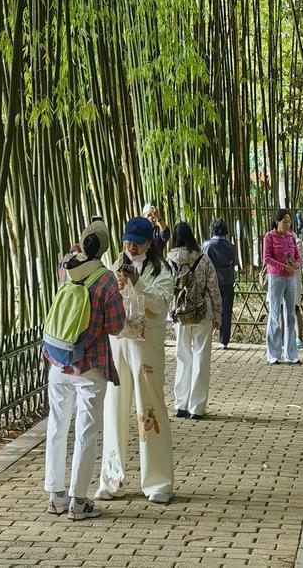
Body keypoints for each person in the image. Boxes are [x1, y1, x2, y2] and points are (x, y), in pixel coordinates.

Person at [42, 216, 125, 520]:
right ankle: (79, 501)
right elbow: (116, 327)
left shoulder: (67, 265)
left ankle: (56, 495)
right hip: (91, 365)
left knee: (56, 427)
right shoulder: (106, 279)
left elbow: (70, 255)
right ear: (104, 249)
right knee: (85, 432)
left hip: (58, 360)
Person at [96, 216, 174, 504]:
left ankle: (158, 482)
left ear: (149, 243)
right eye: (128, 241)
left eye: (137, 243)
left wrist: (137, 282)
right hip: (118, 345)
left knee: (149, 411)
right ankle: (110, 478)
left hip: (146, 348)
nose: (131, 246)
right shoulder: (115, 264)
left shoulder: (161, 269)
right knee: (113, 410)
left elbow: (160, 305)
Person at [167, 221, 222, 419]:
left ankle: (180, 405)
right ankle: (196, 407)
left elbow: (166, 289)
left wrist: (168, 314)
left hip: (180, 314)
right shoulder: (203, 258)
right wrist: (218, 313)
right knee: (201, 358)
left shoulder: (169, 260)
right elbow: (213, 288)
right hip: (202, 312)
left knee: (182, 357)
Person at [263, 208, 300, 365]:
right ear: (277, 222)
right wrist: (282, 267)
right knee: (274, 315)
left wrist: (295, 265)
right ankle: (273, 353)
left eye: (289, 222)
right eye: (284, 222)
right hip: (276, 278)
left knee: (290, 316)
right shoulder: (269, 236)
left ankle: (291, 354)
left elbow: (297, 257)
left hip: (291, 278)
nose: (287, 224)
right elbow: (267, 258)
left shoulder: (291, 237)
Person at [202, 219, 237, 348]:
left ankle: (207, 338)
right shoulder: (231, 246)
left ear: (213, 230)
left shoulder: (207, 245)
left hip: (210, 283)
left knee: (208, 310)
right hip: (227, 282)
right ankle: (224, 341)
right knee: (226, 312)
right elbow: (234, 264)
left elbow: (202, 263)